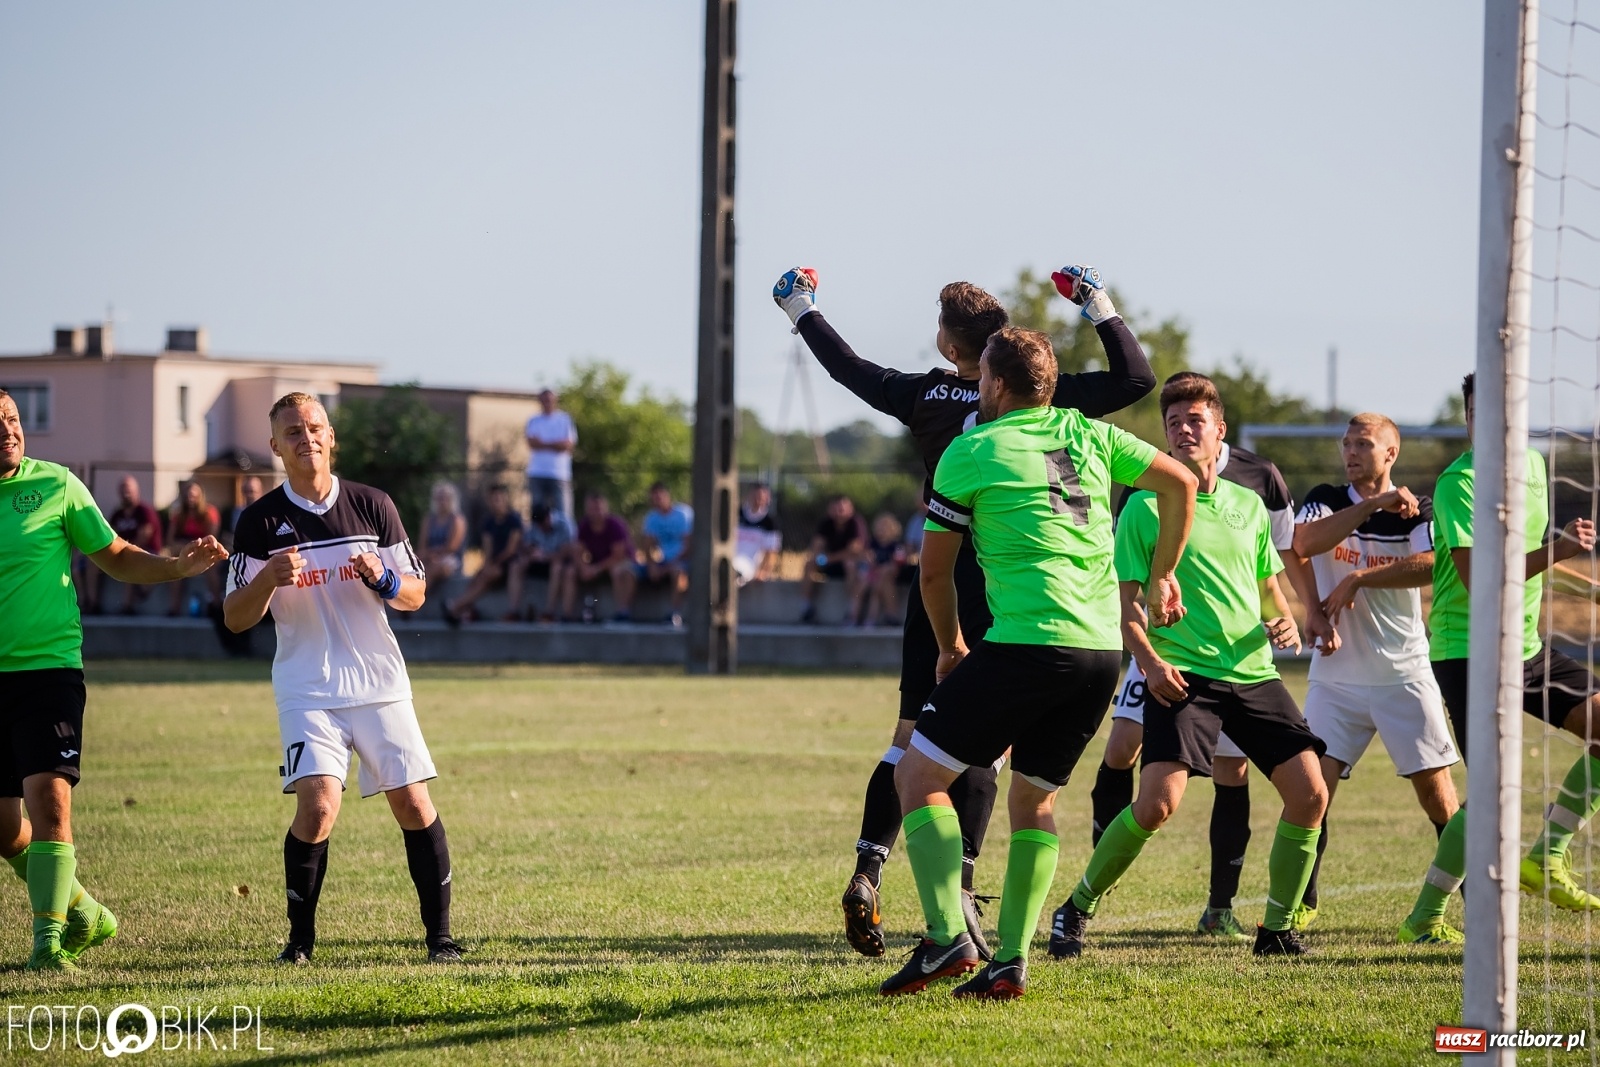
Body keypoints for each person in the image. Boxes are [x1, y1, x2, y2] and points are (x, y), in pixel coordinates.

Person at [773, 263, 1155, 960]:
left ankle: (869, 868)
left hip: (939, 585)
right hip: (1015, 589)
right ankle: (964, 899)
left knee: (912, 739)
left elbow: (847, 369)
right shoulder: (1043, 396)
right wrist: (1098, 305)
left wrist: (800, 309)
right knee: (988, 749)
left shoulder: (922, 395)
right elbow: (1134, 380)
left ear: (953, 346)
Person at [878, 326, 1196, 998]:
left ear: (993, 384)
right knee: (1034, 797)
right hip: (1099, 649)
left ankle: (944, 939)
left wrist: (948, 647)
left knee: (917, 775)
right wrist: (1163, 572)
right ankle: (1010, 962)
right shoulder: (1091, 434)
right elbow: (1181, 484)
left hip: (1026, 642)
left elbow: (933, 577)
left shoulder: (972, 449)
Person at [1049, 372, 1330, 959]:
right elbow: (1125, 608)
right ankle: (1075, 908)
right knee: (1155, 806)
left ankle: (1276, 931)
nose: (1182, 430)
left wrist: (1283, 618)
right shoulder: (1145, 509)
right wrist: (1149, 663)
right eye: (1173, 422)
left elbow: (1269, 589)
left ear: (1219, 431)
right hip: (1182, 677)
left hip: (1253, 673)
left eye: (1194, 420)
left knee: (1309, 795)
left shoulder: (1248, 505)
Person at [222, 392, 462, 965]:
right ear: (276, 447)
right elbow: (234, 617)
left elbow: (415, 592)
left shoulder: (372, 504)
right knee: (319, 806)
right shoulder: (258, 523)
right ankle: (299, 944)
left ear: (331, 437)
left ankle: (441, 940)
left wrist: (382, 578)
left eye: (314, 427)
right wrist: (268, 580)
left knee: (411, 802)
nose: (306, 438)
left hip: (379, 682)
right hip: (306, 687)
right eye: (292, 431)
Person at [0, 387, 228, 970]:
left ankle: (47, 945)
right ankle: (83, 911)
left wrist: (177, 565)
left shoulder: (55, 485)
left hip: (48, 671)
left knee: (51, 805)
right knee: (4, 831)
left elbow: (119, 554)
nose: (9, 429)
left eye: (14, 418)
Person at [1398, 373, 1599, 943]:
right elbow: (1478, 576)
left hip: (1527, 649)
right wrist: (1559, 547)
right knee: (1489, 791)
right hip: (1470, 654)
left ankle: (1546, 857)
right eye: (1477, 411)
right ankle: (1427, 915)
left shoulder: (1535, 467)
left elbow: (1531, 556)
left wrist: (1586, 586)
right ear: (1467, 418)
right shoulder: (1459, 484)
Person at [1288, 413, 1460, 930]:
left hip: (1404, 673)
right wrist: (1369, 506)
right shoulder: (1324, 497)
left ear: (1391, 454)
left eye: (1364, 443)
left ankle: (1450, 912)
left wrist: (1360, 577)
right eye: (1346, 443)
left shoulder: (1418, 510)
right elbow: (1301, 542)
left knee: (1440, 798)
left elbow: (1431, 565)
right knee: (1312, 794)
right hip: (1335, 678)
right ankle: (1301, 906)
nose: (1352, 451)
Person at [443, 485, 525, 624]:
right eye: (493, 499)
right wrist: (486, 566)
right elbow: (488, 549)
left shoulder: (514, 520)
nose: (496, 502)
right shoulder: (488, 523)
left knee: (487, 576)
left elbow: (511, 549)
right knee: (477, 578)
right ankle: (465, 611)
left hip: (510, 563)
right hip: (494, 564)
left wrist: (492, 565)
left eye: (499, 499)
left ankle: (456, 606)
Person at [84, 476, 163, 615]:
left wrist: (124, 550)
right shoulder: (117, 514)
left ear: (136, 491)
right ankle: (93, 603)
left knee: (129, 560)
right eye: (123, 490)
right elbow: (108, 535)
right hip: (119, 551)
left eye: (129, 490)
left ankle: (127, 606)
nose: (126, 493)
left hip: (144, 551)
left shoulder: (145, 512)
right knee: (92, 563)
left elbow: (145, 536)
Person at [558, 492, 637, 622]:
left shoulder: (615, 525)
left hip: (621, 562)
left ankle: (623, 612)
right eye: (592, 509)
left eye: (598, 508)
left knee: (618, 571)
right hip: (597, 563)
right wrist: (583, 568)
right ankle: (567, 614)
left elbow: (618, 556)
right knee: (570, 571)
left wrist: (596, 569)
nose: (596, 512)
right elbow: (577, 550)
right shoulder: (584, 525)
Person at [800, 495, 868, 624]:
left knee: (850, 564)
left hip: (847, 565)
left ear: (850, 509)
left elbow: (854, 550)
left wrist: (829, 558)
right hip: (830, 564)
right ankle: (806, 607)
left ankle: (851, 610)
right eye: (836, 508)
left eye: (842, 508)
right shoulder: (826, 523)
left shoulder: (856, 523)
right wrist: (819, 556)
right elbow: (817, 545)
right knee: (809, 563)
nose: (839, 512)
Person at [636, 482, 693, 626]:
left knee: (679, 573)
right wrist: (652, 565)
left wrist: (667, 567)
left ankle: (675, 613)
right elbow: (647, 546)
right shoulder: (652, 518)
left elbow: (689, 547)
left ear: (667, 496)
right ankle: (623, 613)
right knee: (627, 570)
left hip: (682, 560)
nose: (657, 500)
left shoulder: (683, 514)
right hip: (663, 561)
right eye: (654, 498)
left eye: (660, 497)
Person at [512, 502, 574, 622]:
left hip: (558, 562)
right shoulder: (535, 525)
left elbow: (566, 552)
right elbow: (525, 546)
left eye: (543, 523)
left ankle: (549, 611)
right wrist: (531, 551)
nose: (541, 527)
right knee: (516, 565)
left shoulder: (564, 524)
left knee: (557, 567)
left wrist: (545, 556)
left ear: (549, 517)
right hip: (539, 562)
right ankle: (514, 611)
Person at [166, 480, 221, 615]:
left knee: (211, 567)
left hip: (205, 550)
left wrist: (196, 546)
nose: (190, 498)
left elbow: (212, 537)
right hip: (185, 552)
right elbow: (170, 540)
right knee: (175, 565)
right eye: (188, 495)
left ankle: (217, 605)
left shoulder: (210, 513)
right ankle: (175, 607)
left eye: (194, 495)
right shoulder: (178, 515)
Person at [525, 389, 577, 522]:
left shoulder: (564, 419)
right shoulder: (534, 420)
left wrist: (543, 443)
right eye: (544, 400)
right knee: (537, 513)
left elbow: (567, 445)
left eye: (549, 400)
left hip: (559, 473)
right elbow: (532, 443)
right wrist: (555, 444)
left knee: (563, 513)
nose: (547, 403)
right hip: (537, 472)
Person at [419, 482, 468, 599]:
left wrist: (433, 555)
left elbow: (452, 547)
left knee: (435, 567)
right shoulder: (429, 520)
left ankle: (416, 598)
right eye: (439, 498)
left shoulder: (457, 520)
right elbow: (422, 545)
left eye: (445, 498)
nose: (442, 501)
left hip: (451, 560)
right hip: (431, 556)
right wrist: (428, 555)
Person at [860, 512, 909, 627]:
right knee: (875, 586)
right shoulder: (872, 544)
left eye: (885, 526)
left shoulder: (896, 545)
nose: (882, 529)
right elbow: (867, 558)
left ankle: (876, 618)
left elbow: (898, 562)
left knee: (882, 579)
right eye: (879, 526)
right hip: (875, 576)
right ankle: (875, 618)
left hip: (893, 575)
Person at [733, 482, 781, 585]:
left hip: (749, 565)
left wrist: (764, 571)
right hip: (731, 560)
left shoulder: (769, 522)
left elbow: (772, 551)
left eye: (761, 497)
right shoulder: (736, 514)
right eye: (755, 496)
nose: (757, 500)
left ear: (767, 499)